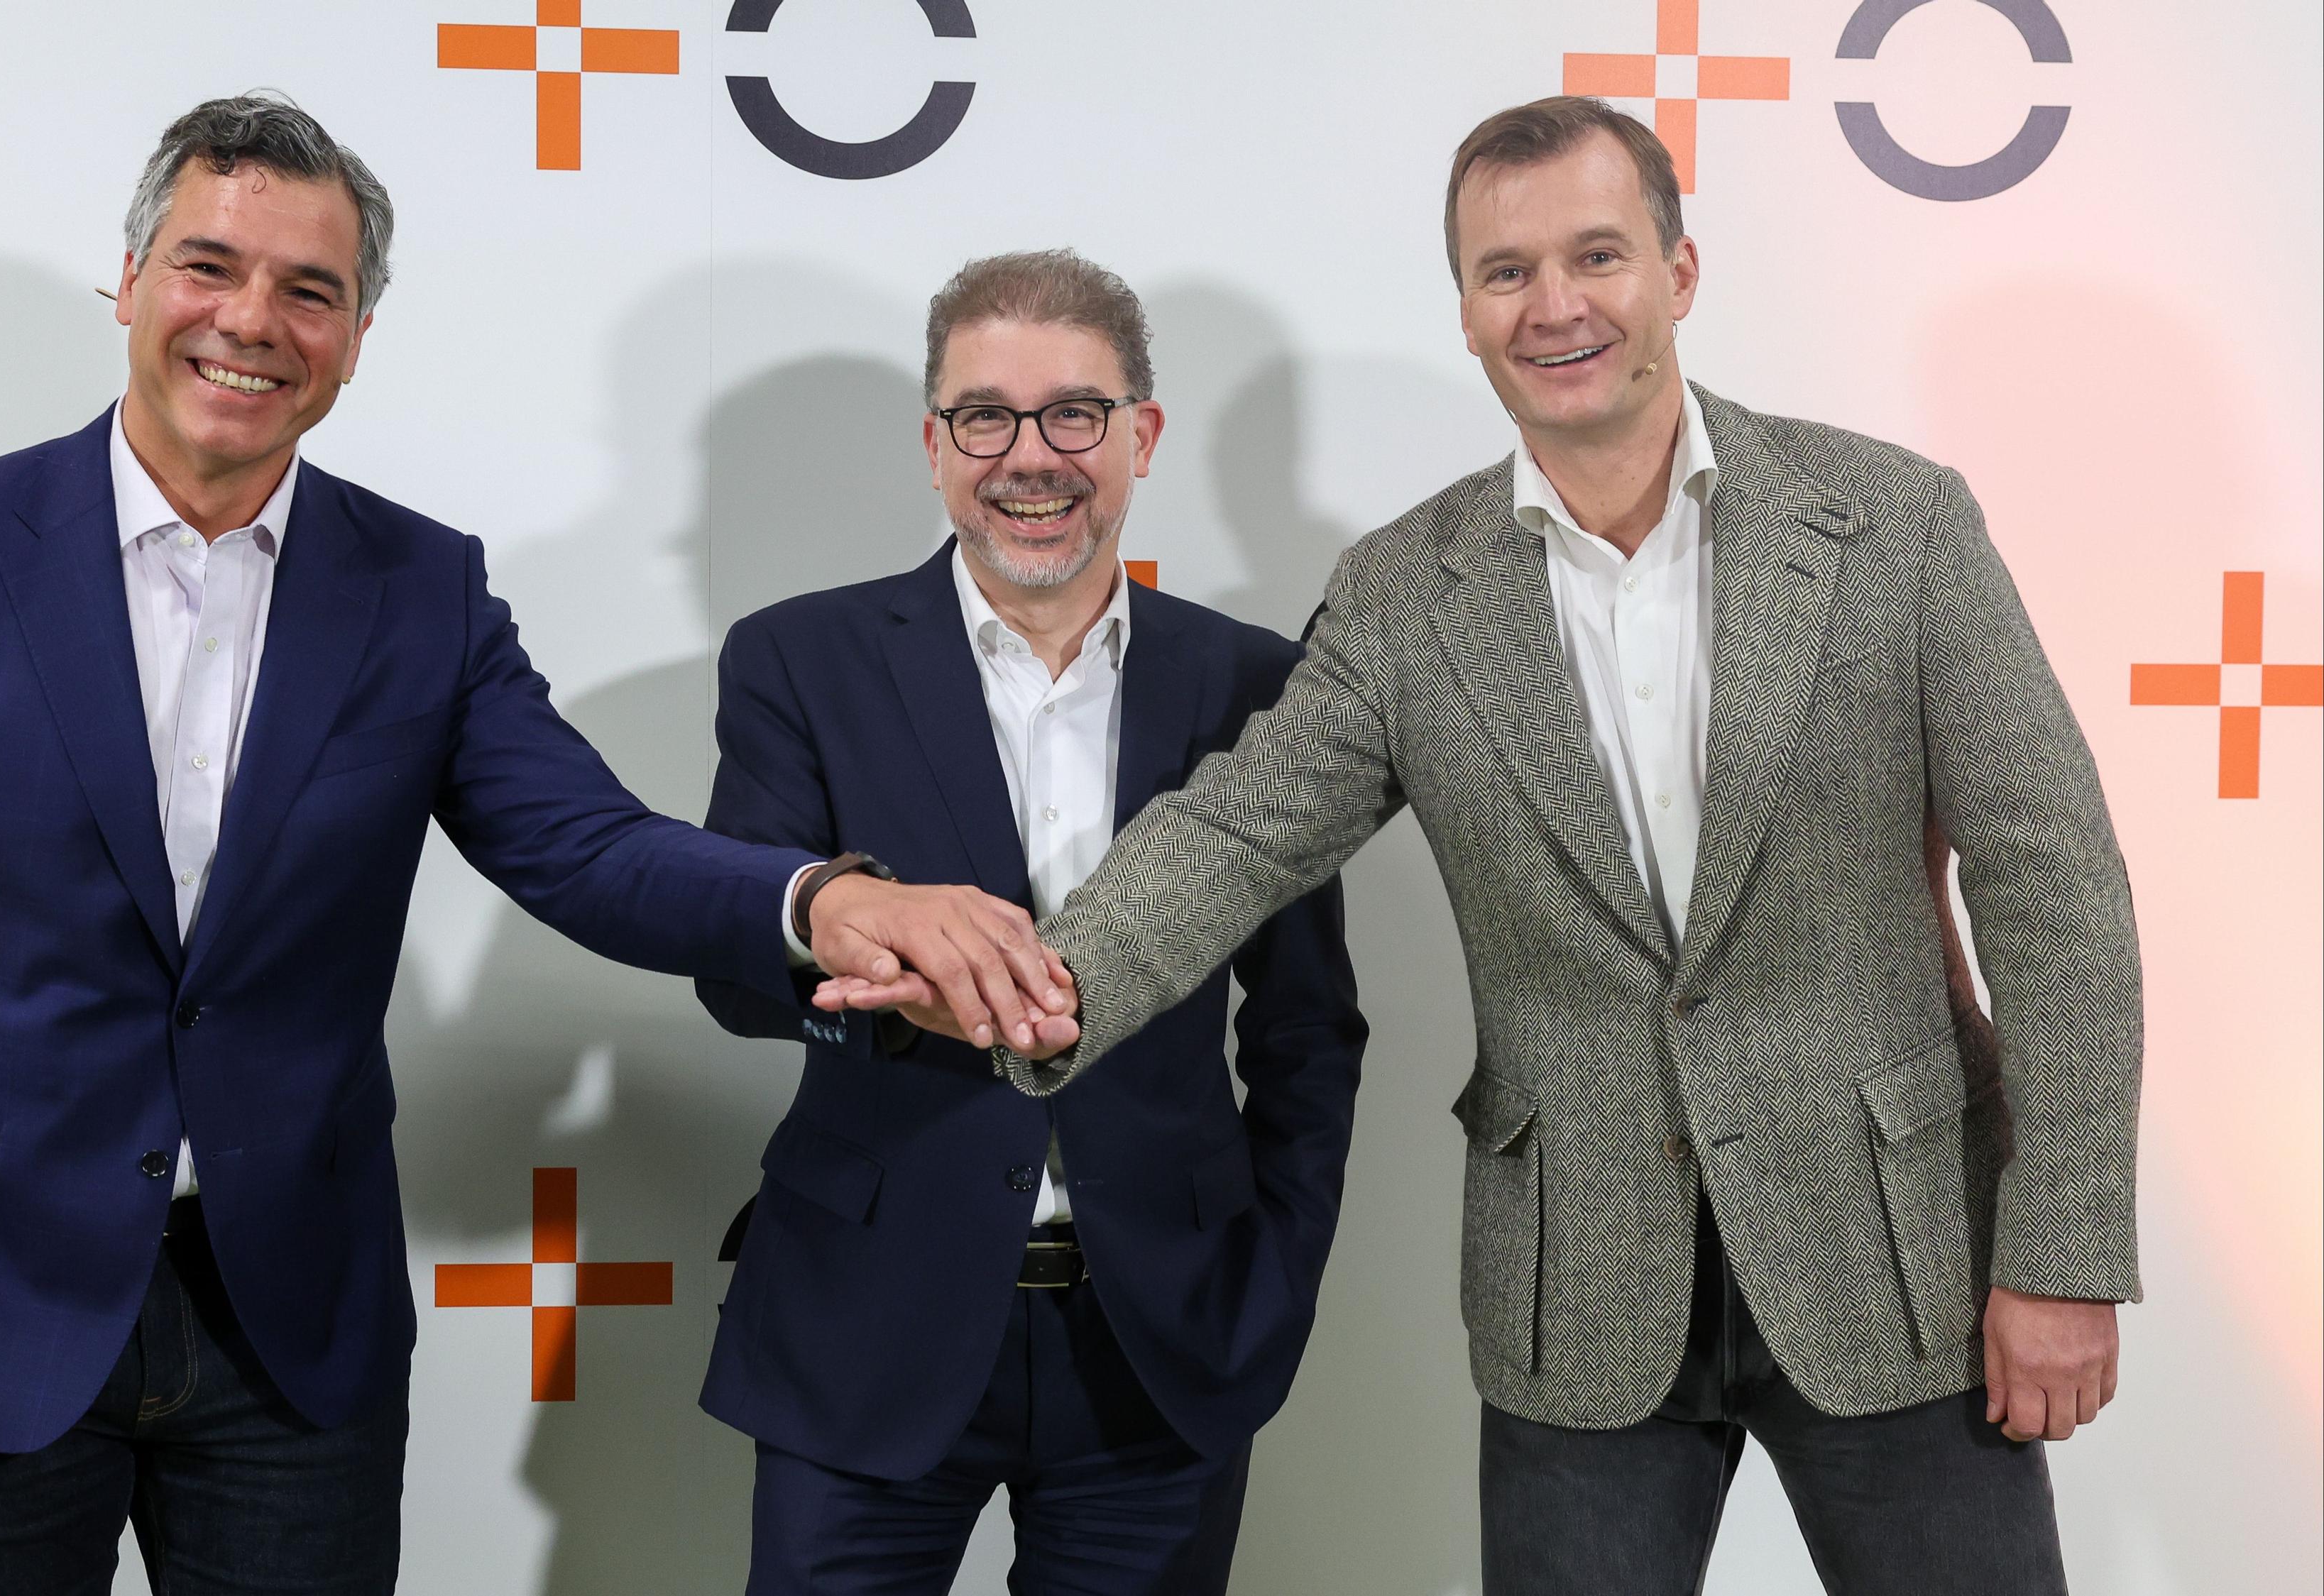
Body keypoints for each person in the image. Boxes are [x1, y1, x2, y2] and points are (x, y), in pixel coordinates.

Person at [0, 94, 1069, 1591]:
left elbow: (586, 845)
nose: (252, 321)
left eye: (310, 290)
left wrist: (821, 901)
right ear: (130, 281)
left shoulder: (419, 587)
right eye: (209, 267)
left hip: (292, 1337)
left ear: (357, 336)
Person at [823, 97, 2141, 1594]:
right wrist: (1026, 990)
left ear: (1680, 272)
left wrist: (2063, 1251)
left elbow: (2054, 890)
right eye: (1505, 271)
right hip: (1575, 1289)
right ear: (1464, 312)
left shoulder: (1895, 525)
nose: (1553, 305)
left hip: (1903, 1260)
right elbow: (1238, 833)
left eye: (1597, 255)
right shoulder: (1404, 592)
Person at [695, 250, 1366, 1594]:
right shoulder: (799, 660)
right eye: (986, 417)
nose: (1031, 457)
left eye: (1074, 413)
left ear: (1142, 436)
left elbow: (1306, 1027)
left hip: (1163, 1340)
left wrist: (1274, 1270)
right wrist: (882, 969)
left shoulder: (1256, 683)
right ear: (934, 447)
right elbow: (738, 972)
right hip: (863, 1323)